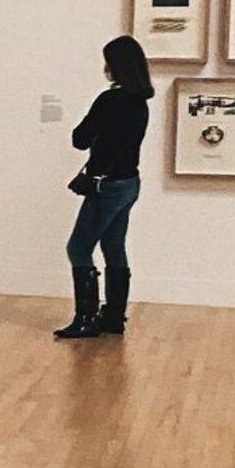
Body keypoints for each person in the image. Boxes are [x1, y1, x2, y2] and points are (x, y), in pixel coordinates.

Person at [56, 35, 154, 338]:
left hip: (106, 186)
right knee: (113, 247)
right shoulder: (140, 103)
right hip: (129, 183)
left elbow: (80, 138)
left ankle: (85, 318)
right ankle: (113, 316)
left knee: (79, 248)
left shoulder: (110, 100)